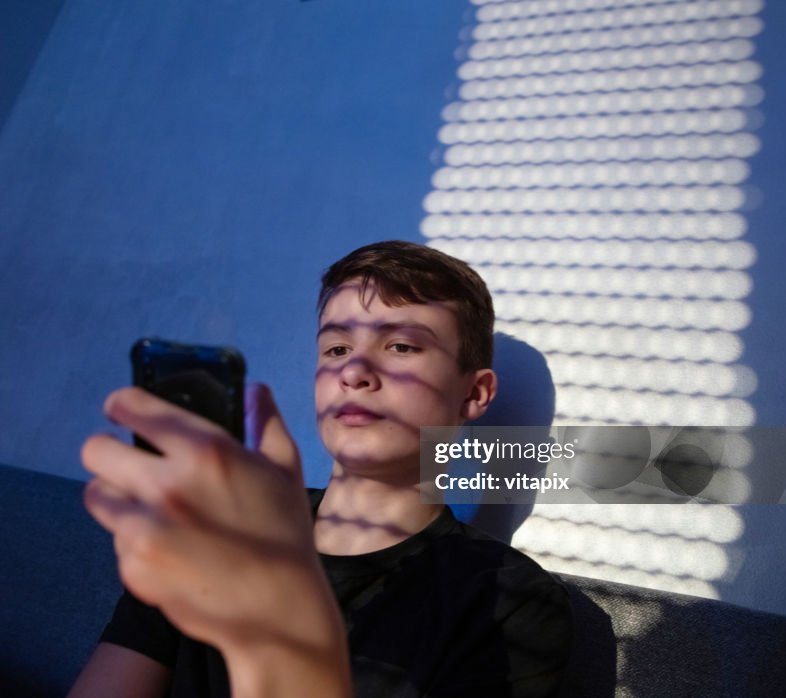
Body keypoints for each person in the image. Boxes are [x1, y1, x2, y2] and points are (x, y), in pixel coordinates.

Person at [70, 241, 572, 697]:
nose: (354, 371)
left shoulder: (509, 600)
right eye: (336, 348)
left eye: (402, 346)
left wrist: (281, 610)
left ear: (475, 393)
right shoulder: (219, 531)